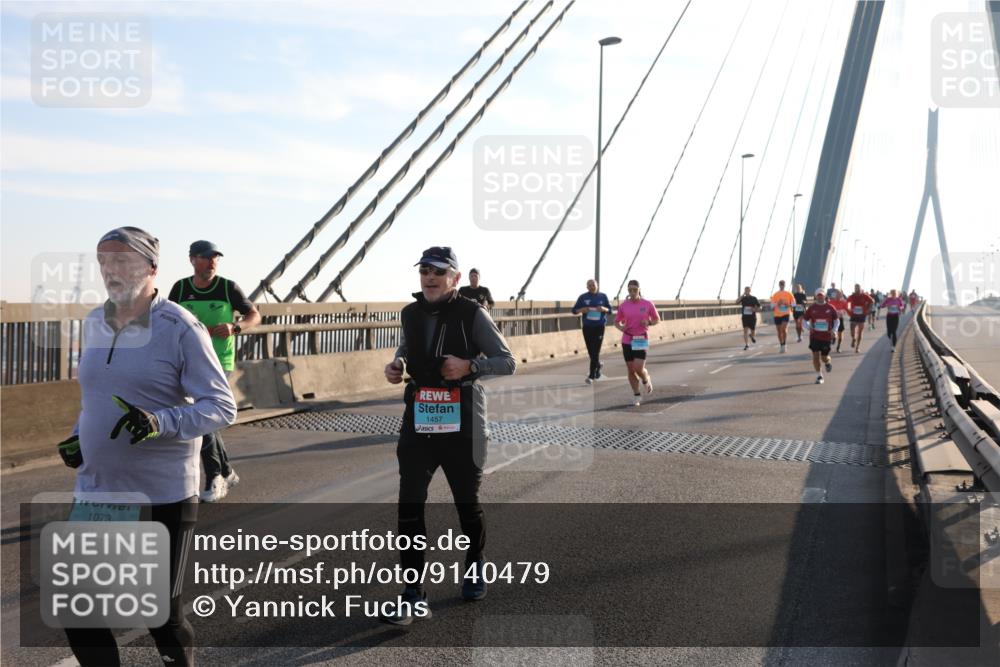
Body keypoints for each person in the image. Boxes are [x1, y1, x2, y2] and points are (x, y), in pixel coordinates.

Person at [58, 227, 236, 666]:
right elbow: (96, 394)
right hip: (97, 491)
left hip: (162, 492)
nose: (110, 271)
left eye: (122, 261)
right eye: (104, 261)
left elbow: (221, 407)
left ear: (152, 268)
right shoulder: (94, 321)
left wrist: (161, 422)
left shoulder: (180, 327)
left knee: (161, 616)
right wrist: (81, 435)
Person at [382, 246, 515, 624]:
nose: (430, 276)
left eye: (439, 271)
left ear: (454, 278)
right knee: (409, 505)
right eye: (424, 269)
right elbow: (407, 351)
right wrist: (398, 365)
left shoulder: (473, 314)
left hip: (465, 422)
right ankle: (412, 591)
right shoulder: (409, 313)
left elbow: (508, 362)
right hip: (420, 419)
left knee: (466, 505)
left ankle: (475, 562)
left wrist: (471, 364)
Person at [168, 240, 261, 503]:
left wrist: (236, 327)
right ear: (192, 259)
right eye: (206, 257)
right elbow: (168, 320)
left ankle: (216, 476)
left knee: (202, 414)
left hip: (220, 362)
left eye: (215, 258)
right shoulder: (181, 288)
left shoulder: (228, 287)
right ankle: (227, 470)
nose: (212, 262)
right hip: (187, 361)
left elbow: (254, 315)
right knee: (205, 416)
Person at [615, 280, 660, 406]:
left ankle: (646, 379)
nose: (632, 292)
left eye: (635, 289)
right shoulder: (624, 306)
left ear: (639, 289)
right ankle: (636, 395)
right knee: (630, 370)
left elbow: (657, 319)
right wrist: (621, 328)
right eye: (630, 290)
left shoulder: (647, 304)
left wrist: (649, 323)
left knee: (638, 368)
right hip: (627, 339)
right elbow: (616, 322)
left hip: (641, 338)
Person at [571, 279, 611, 383]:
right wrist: (581, 310)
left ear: (597, 285)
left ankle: (591, 376)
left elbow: (610, 310)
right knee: (590, 351)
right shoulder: (583, 297)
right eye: (589, 285)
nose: (592, 287)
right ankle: (598, 366)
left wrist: (603, 309)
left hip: (599, 327)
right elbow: (573, 310)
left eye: (593, 285)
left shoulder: (603, 296)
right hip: (587, 327)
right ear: (587, 287)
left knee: (595, 351)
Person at [804, 288, 839, 384]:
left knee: (824, 357)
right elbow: (805, 320)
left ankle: (827, 362)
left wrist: (834, 330)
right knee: (815, 356)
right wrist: (808, 327)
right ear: (816, 296)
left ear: (824, 296)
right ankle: (819, 376)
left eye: (822, 295)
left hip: (826, 336)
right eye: (818, 295)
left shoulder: (830, 307)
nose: (820, 297)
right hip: (814, 336)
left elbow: (837, 321)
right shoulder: (812, 308)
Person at [846, 283, 875, 353]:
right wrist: (849, 309)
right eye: (855, 288)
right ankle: (853, 338)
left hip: (862, 315)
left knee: (860, 331)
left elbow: (872, 301)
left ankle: (857, 347)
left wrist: (869, 309)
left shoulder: (864, 296)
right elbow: (848, 303)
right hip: (854, 315)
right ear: (854, 289)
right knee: (852, 330)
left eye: (858, 288)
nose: (857, 289)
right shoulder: (851, 296)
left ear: (860, 289)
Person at [770, 280, 795, 353]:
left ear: (785, 285)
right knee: (779, 331)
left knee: (783, 329)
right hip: (777, 314)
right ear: (779, 285)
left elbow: (794, 304)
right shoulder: (775, 294)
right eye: (780, 284)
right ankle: (781, 345)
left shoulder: (789, 294)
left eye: (783, 284)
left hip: (786, 313)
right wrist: (778, 303)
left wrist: (789, 305)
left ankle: (784, 344)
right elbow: (771, 306)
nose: (782, 285)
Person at [737, 286, 760, 351]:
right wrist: (742, 295)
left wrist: (755, 309)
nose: (747, 291)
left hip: (752, 317)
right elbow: (736, 302)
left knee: (753, 330)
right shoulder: (743, 298)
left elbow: (760, 307)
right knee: (745, 331)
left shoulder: (754, 298)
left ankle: (752, 336)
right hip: (745, 317)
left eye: (748, 290)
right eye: (745, 290)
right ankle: (747, 345)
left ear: (750, 291)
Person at [827, 289, 850, 353]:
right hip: (832, 320)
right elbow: (826, 309)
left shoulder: (844, 302)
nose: (838, 295)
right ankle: (832, 339)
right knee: (831, 333)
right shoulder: (830, 302)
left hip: (840, 319)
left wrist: (843, 311)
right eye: (837, 294)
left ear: (842, 295)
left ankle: (838, 347)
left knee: (840, 334)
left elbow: (849, 309)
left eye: (839, 294)